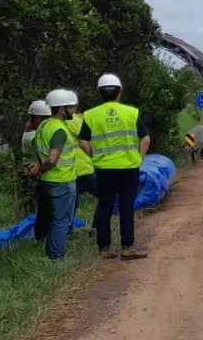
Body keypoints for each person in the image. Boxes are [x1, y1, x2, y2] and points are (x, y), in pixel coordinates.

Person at [78, 73, 150, 259]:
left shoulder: (90, 115)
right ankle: (127, 248)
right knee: (127, 207)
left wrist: (95, 155)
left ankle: (104, 248)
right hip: (128, 168)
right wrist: (139, 158)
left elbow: (83, 141)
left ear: (100, 93)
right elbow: (145, 137)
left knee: (105, 207)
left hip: (103, 169)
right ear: (119, 92)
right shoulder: (131, 113)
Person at [27, 89, 79, 261]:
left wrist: (39, 171)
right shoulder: (59, 130)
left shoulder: (44, 125)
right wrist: (42, 169)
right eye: (70, 108)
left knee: (55, 219)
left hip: (49, 181)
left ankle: (51, 252)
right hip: (61, 180)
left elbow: (37, 151)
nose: (73, 111)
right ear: (61, 109)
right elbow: (53, 159)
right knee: (62, 221)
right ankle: (56, 257)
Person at [21, 100, 54, 242]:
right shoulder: (34, 137)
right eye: (45, 118)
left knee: (46, 207)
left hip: (38, 172)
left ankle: (43, 236)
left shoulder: (30, 132)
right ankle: (42, 237)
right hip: (39, 174)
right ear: (37, 119)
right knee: (46, 208)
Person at [66, 100, 97, 229]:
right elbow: (87, 138)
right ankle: (97, 228)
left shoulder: (76, 119)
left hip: (73, 168)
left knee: (72, 203)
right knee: (105, 195)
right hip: (82, 167)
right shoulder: (73, 120)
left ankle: (68, 232)